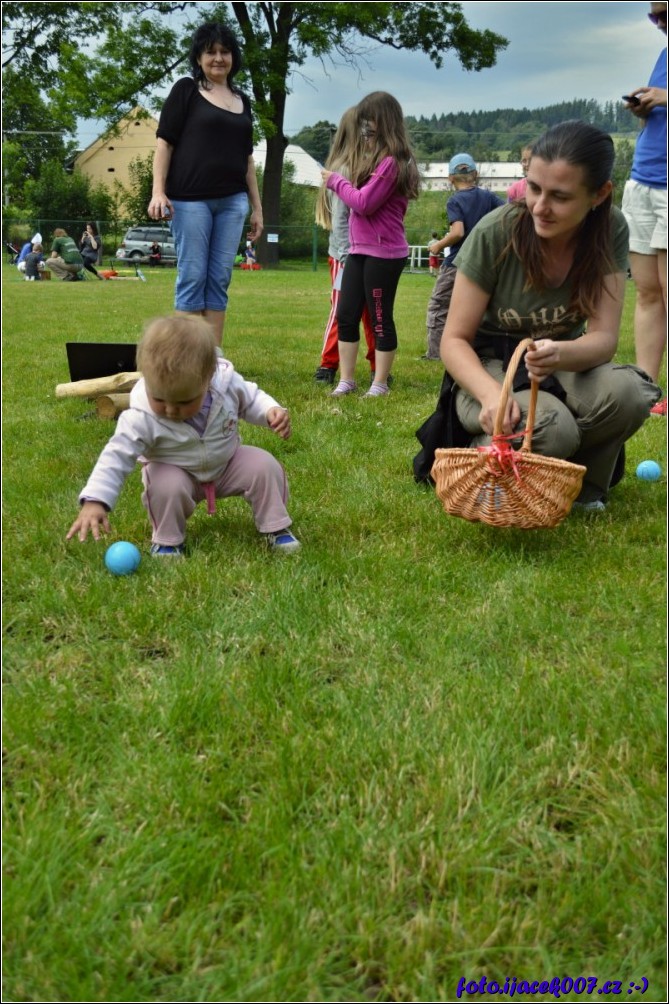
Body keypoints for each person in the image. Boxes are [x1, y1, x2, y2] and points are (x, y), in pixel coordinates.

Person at [414, 121, 661, 510]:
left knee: (631, 393)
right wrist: (491, 395)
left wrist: (560, 354)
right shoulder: (497, 231)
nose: (540, 207)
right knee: (549, 427)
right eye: (534, 188)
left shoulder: (610, 229)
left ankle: (582, 490)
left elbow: (603, 339)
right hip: (488, 364)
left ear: (599, 194)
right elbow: (453, 340)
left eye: (560, 196)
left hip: (558, 361)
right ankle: (479, 454)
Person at [66, 315, 301, 556]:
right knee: (164, 484)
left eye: (183, 402)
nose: (169, 409)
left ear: (208, 379)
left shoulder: (225, 384)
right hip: (176, 471)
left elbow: (251, 398)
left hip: (226, 465)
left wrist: (269, 411)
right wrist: (96, 499)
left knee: (264, 465)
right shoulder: (140, 415)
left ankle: (276, 526)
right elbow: (115, 457)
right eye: (159, 398)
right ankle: (168, 540)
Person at [147, 22, 263, 348]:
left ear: (233, 57)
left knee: (219, 280)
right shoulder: (186, 90)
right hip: (189, 201)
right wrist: (158, 191)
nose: (218, 58)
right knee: (193, 276)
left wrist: (257, 208)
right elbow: (163, 144)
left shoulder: (243, 101)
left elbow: (248, 160)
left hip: (233, 202)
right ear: (198, 57)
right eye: (210, 51)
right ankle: (185, 359)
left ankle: (212, 361)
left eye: (224, 51)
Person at [321, 91, 420, 398]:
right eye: (363, 120)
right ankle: (347, 381)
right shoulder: (373, 159)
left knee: (379, 318)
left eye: (370, 119)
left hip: (384, 254)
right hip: (359, 250)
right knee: (347, 315)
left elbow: (364, 203)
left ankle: (379, 383)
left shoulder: (393, 163)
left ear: (385, 121)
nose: (364, 126)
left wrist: (336, 180)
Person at [621, 1, 667, 415]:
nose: (658, 23)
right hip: (643, 180)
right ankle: (646, 391)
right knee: (649, 292)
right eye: (653, 16)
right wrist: (644, 106)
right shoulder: (664, 54)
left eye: (665, 12)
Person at [313, 106, 377, 386]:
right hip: (346, 254)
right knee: (343, 310)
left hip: (367, 253)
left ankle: (378, 365)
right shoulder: (344, 169)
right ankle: (328, 365)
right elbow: (341, 218)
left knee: (373, 311)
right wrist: (345, 256)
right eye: (370, 132)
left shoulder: (370, 166)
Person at [422, 153, 503, 361]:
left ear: (450, 178)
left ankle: (435, 353)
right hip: (485, 262)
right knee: (476, 307)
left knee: (439, 305)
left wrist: (438, 245)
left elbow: (458, 232)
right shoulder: (489, 197)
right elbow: (508, 214)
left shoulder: (455, 200)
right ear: (475, 174)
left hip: (457, 262)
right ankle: (478, 350)